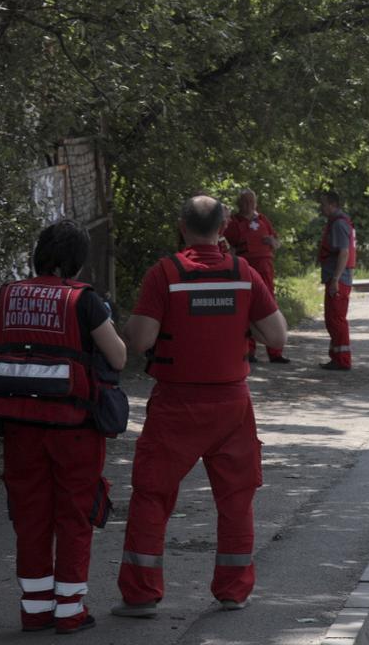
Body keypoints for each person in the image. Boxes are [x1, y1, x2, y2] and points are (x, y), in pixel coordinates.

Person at [113, 195, 285, 619]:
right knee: (236, 499)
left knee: (152, 495)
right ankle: (234, 591)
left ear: (181, 226)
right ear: (224, 228)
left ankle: (141, 595)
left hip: (177, 404)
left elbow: (140, 341)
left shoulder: (165, 274)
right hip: (232, 405)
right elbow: (276, 335)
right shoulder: (242, 273)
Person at [0, 219, 127, 634]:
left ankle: (35, 611)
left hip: (17, 425)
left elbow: (3, 348)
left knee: (29, 517)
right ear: (77, 262)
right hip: (74, 426)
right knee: (75, 516)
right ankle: (70, 612)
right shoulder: (84, 301)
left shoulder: (8, 295)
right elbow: (117, 358)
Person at [223, 189, 288, 364]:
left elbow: (277, 242)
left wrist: (273, 242)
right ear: (239, 203)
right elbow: (224, 243)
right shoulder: (234, 222)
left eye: (251, 201)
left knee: (269, 305)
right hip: (246, 269)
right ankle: (249, 351)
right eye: (245, 202)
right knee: (246, 307)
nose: (249, 205)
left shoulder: (263, 219)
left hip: (266, 268)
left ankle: (275, 352)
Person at [318, 190, 355, 371]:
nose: (321, 207)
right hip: (336, 277)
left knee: (336, 319)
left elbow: (344, 252)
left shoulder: (339, 224)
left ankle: (342, 360)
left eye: (324, 204)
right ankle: (336, 357)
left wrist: (335, 279)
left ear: (332, 205)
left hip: (338, 279)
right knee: (332, 319)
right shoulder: (337, 222)